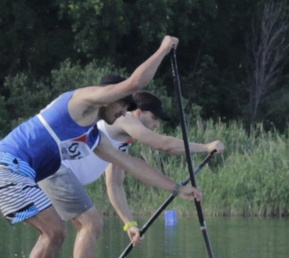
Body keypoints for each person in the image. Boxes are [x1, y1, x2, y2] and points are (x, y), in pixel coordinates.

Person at [0, 36, 196, 258]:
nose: (123, 114)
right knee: (55, 232)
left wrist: (177, 188)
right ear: (111, 98)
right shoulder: (81, 100)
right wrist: (163, 49)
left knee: (54, 232)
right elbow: (133, 84)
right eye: (123, 107)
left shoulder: (93, 135)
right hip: (7, 166)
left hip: (20, 172)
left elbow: (129, 163)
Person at [84, 98, 224, 245]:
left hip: (72, 180)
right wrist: (206, 147)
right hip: (62, 172)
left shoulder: (122, 141)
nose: (156, 124)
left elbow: (114, 184)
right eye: (154, 118)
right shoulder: (125, 118)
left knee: (86, 225)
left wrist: (129, 225)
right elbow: (164, 145)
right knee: (91, 224)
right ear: (138, 112)